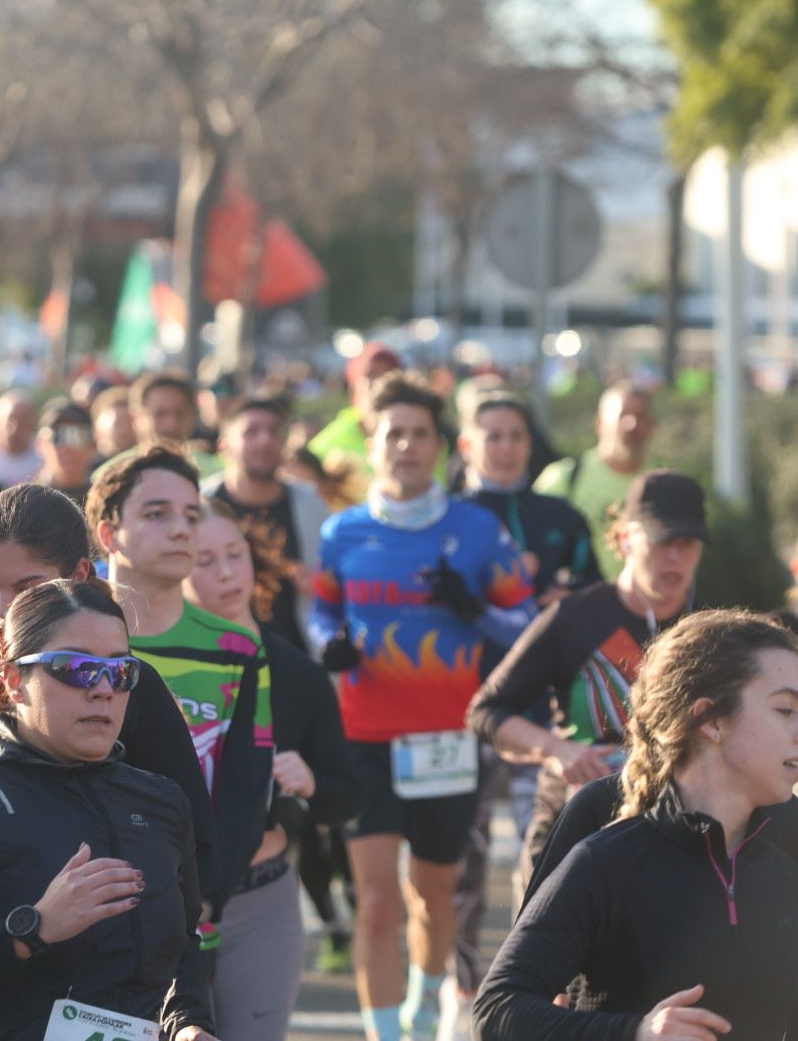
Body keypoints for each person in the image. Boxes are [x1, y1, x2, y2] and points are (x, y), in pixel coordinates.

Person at [0, 580, 219, 1041]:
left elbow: (183, 944)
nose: (104, 689)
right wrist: (28, 932)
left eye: (120, 671)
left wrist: (189, 1022)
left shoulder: (160, 802)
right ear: (13, 681)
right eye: (76, 668)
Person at [308, 372, 534, 1041]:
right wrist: (329, 645)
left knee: (433, 896)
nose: (406, 445)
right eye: (393, 434)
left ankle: (426, 1001)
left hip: (445, 740)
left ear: (440, 445)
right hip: (364, 737)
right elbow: (321, 611)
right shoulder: (342, 531)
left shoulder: (478, 529)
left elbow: (525, 621)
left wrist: (474, 608)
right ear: (373, 444)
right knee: (377, 901)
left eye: (419, 434)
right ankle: (386, 1032)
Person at [473, 609, 798, 1040]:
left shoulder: (787, 839)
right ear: (710, 721)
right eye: (785, 710)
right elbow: (497, 1010)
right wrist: (636, 1032)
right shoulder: (605, 852)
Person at [0, 483, 213, 877]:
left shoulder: (123, 683)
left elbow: (194, 834)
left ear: (78, 576)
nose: (2, 609)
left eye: (28, 588)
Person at [468, 470, 707, 886]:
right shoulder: (575, 617)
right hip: (574, 833)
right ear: (625, 538)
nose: (674, 557)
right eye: (661, 540)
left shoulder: (711, 631)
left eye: (687, 544)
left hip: (677, 839)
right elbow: (486, 712)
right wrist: (557, 750)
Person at [446, 387, 599, 1028]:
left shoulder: (561, 516)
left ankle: (524, 984)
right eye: (493, 436)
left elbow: (596, 600)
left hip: (546, 718)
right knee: (463, 857)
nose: (506, 448)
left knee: (542, 858)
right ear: (467, 444)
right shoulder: (447, 516)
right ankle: (459, 985)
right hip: (465, 709)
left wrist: (566, 597)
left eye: (516, 436)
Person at [184, 499, 360, 1040]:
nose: (226, 573)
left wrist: (309, 784)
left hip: (261, 900)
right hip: (162, 901)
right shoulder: (139, 662)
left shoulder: (297, 673)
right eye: (204, 560)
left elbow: (346, 796)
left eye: (236, 554)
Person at [88, 448, 276, 951]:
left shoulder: (238, 647)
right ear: (108, 534)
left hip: (195, 916)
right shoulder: (71, 640)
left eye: (191, 516)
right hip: (84, 914)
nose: (181, 530)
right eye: (157, 514)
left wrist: (206, 892)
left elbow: (246, 786)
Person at [205, 393, 331, 651]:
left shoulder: (311, 505)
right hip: (216, 655)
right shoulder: (197, 506)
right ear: (224, 444)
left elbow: (335, 582)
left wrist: (320, 586)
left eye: (274, 431)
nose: (265, 440)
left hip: (298, 656)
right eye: (251, 432)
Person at [534, 382, 655, 578]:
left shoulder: (662, 485)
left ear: (652, 425)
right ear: (600, 423)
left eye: (641, 416)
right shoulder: (564, 478)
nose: (631, 424)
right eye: (622, 415)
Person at [306, 342, 404, 502]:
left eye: (389, 377)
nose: (381, 385)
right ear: (353, 389)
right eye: (371, 376)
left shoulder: (430, 443)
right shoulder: (323, 449)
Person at [95, 372, 223, 479]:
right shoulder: (111, 478)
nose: (172, 423)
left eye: (180, 413)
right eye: (160, 414)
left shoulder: (217, 474)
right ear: (136, 418)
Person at [33, 399, 96, 507]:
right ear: (40, 444)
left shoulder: (105, 501)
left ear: (93, 444)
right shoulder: (25, 502)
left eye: (78, 436)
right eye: (57, 436)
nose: (68, 446)